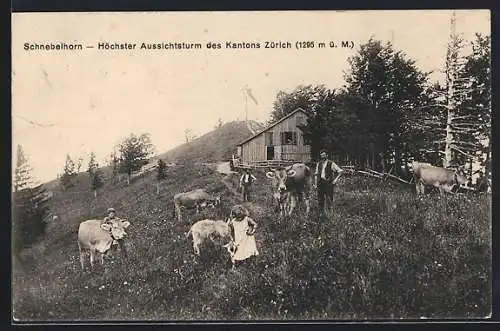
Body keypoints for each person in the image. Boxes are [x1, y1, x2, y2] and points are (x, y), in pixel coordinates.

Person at [314, 150, 344, 216]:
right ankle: (321, 214)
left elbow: (340, 171)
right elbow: (316, 174)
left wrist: (335, 180)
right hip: (320, 183)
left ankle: (330, 214)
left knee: (329, 199)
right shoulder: (319, 163)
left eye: (324, 155)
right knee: (320, 200)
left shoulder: (331, 163)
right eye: (321, 155)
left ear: (327, 155)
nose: (323, 156)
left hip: (328, 184)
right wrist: (316, 184)